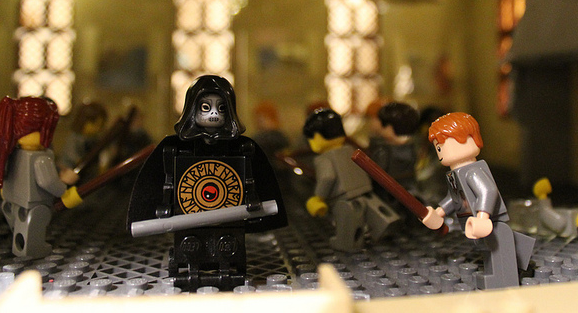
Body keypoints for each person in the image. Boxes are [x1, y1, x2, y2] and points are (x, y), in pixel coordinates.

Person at [127, 75, 286, 291]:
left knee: (228, 246)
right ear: (192, 109)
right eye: (205, 107)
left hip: (229, 215)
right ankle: (192, 266)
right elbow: (167, 178)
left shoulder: (242, 147)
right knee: (190, 245)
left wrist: (252, 196)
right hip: (188, 215)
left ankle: (227, 265)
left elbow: (251, 176)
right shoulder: (175, 147)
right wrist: (165, 202)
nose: (213, 113)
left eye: (221, 108)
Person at [421, 112, 534, 289]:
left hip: (491, 223)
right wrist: (439, 212)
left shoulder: (472, 171)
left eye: (442, 146)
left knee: (499, 250)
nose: (440, 152)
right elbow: (454, 197)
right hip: (476, 223)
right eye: (438, 148)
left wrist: (482, 216)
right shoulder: (456, 175)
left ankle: (501, 278)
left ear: (467, 140)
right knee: (491, 248)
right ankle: (505, 271)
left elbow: (487, 190)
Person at [0, 97, 82, 258]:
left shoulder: (11, 151)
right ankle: (33, 249)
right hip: (35, 202)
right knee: (36, 223)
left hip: (13, 199)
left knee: (20, 225)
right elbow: (48, 181)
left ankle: (20, 246)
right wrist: (63, 187)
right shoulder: (40, 158)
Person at [303, 108, 400, 251]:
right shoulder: (350, 149)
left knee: (348, 221)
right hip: (364, 191)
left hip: (344, 197)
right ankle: (383, 229)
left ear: (317, 137)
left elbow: (327, 177)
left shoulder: (323, 158)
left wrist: (319, 197)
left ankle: (346, 243)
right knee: (376, 217)